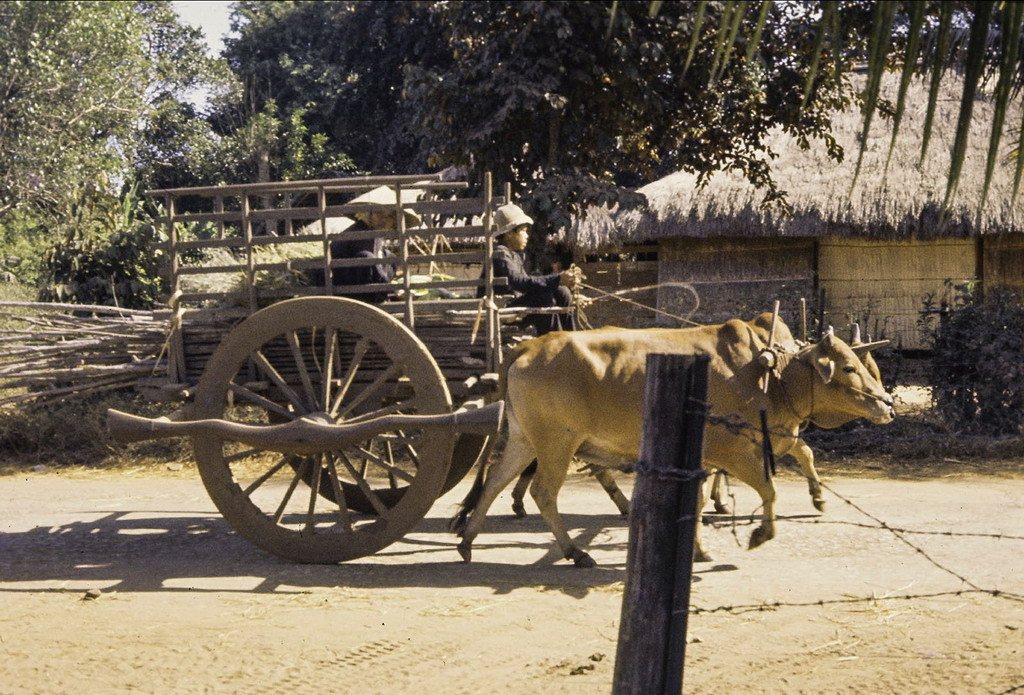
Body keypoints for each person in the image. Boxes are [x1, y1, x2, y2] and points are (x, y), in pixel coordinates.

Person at [478, 203, 577, 336]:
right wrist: (557, 278)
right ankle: (555, 341)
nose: (527, 235)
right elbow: (520, 282)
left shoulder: (514, 256)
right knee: (542, 296)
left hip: (514, 306)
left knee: (563, 291)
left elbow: (528, 285)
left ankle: (572, 338)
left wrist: (570, 295)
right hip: (501, 310)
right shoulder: (499, 253)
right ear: (509, 234)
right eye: (523, 230)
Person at [308, 186, 420, 303]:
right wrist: (390, 288)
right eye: (379, 213)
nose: (384, 220)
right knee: (367, 258)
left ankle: (382, 295)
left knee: (389, 257)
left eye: (390, 216)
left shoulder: (375, 234)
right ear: (368, 213)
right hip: (341, 286)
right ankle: (377, 297)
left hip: (357, 281)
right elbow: (367, 260)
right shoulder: (359, 232)